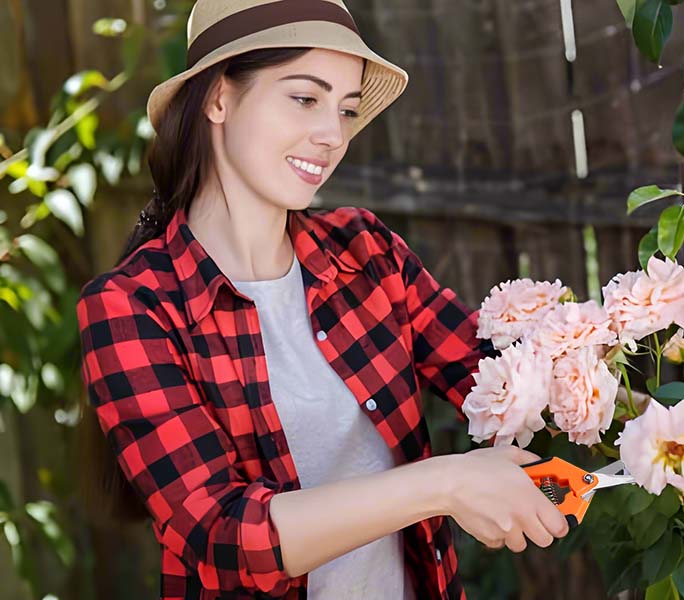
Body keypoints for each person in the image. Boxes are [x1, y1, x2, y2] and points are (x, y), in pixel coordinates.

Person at [74, 1, 569, 599]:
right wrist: (444, 484)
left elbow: (501, 381)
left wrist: (671, 435)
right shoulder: (133, 308)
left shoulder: (364, 251)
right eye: (305, 98)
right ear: (218, 99)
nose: (332, 135)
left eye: (347, 109)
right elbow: (222, 535)